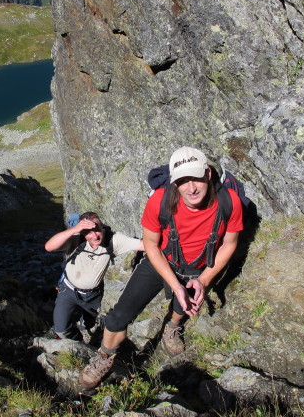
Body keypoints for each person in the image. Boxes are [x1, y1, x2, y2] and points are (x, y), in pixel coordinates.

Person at [78, 147, 244, 389]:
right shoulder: (160, 201)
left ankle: (172, 327)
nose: (192, 188)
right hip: (161, 261)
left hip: (198, 267)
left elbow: (229, 243)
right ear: (174, 183)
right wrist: (175, 284)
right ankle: (104, 356)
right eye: (183, 181)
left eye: (196, 178)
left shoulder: (229, 202)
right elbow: (151, 246)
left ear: (208, 174)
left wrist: (205, 280)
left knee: (183, 304)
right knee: (118, 316)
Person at [45, 211, 144, 341]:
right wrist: (75, 229)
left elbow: (143, 245)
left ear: (102, 226)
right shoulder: (76, 239)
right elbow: (49, 247)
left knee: (87, 325)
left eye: (97, 230)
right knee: (61, 329)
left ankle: (85, 329)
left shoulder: (113, 240)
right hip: (67, 291)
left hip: (92, 296)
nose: (95, 236)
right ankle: (77, 343)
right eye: (88, 232)